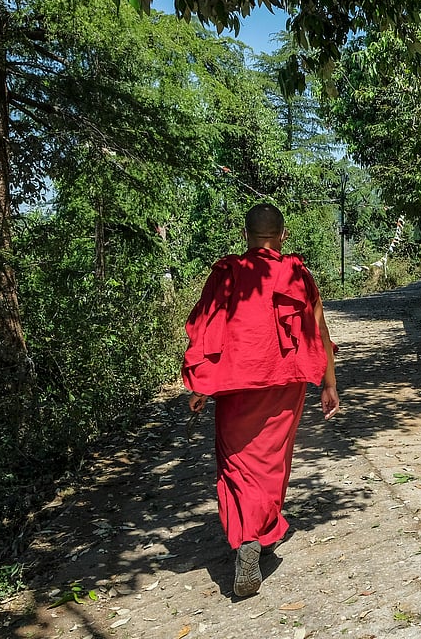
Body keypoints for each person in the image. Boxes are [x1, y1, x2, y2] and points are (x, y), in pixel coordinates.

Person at [181, 203, 339, 597]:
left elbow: (206, 329)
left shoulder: (228, 272)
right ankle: (259, 533)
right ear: (282, 236)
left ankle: (248, 537)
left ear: (244, 235)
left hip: (236, 385)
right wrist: (329, 383)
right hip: (285, 383)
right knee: (273, 460)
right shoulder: (296, 273)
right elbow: (318, 327)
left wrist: (201, 384)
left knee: (236, 463)